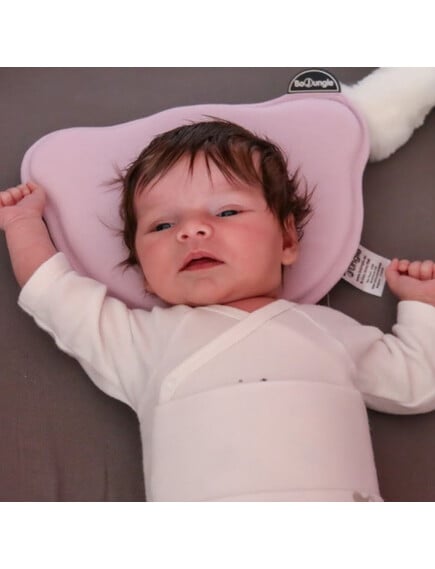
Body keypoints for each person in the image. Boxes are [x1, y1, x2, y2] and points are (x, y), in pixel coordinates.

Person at [1, 120, 435, 502]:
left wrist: (421, 305)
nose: (192, 230)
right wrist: (22, 224)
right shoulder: (142, 342)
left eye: (227, 211)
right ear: (144, 273)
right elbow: (55, 294)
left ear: (286, 240)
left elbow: (415, 381)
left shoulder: (331, 332)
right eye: (162, 225)